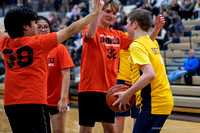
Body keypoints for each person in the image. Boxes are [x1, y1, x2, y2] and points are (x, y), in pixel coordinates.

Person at [0, 0, 103, 132]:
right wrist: (94, 13)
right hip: (32, 102)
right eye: (34, 23)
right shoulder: (39, 42)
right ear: (25, 26)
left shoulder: (4, 43)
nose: (37, 27)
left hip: (11, 104)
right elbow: (70, 30)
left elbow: (2, 30)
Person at [78, 0, 165, 133]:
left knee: (111, 130)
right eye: (107, 11)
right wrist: (96, 10)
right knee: (85, 129)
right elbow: (90, 35)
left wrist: (156, 30)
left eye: (114, 13)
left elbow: (144, 43)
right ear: (99, 12)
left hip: (110, 90)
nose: (111, 15)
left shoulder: (118, 35)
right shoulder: (89, 29)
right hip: (89, 88)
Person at [113, 9, 174, 133]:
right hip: (163, 100)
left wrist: (127, 93)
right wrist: (135, 85)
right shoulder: (149, 43)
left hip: (153, 102)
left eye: (128, 23)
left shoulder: (136, 45)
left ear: (135, 24)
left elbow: (149, 74)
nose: (125, 26)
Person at [36, 15, 74, 133]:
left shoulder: (59, 48)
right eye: (40, 27)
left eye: (46, 27)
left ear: (50, 29)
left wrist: (63, 99)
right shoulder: (33, 49)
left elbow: (66, 74)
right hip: (39, 100)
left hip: (57, 100)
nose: (43, 30)